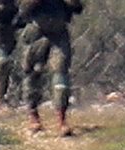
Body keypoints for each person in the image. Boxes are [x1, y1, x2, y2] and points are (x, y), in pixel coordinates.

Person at [20, 0, 83, 136]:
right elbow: (23, 9)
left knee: (60, 73)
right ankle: (33, 115)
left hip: (59, 33)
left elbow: (78, 8)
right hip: (36, 32)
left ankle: (61, 120)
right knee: (32, 73)